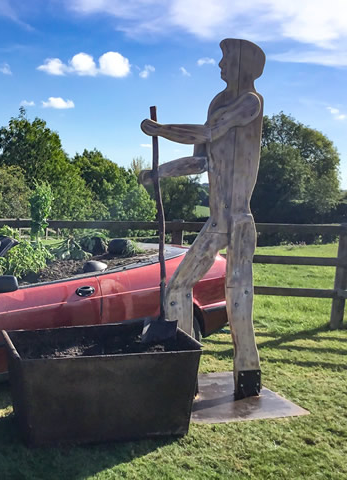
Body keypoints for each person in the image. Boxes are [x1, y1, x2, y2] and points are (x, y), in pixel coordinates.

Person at [139, 38, 265, 399]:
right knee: (177, 288)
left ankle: (247, 373)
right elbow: (200, 160)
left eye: (226, 59)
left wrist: (162, 131)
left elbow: (208, 132)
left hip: (239, 220)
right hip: (216, 221)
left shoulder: (249, 103)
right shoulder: (217, 103)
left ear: (244, 64)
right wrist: (159, 172)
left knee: (237, 299)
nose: (220, 65)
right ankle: (186, 372)